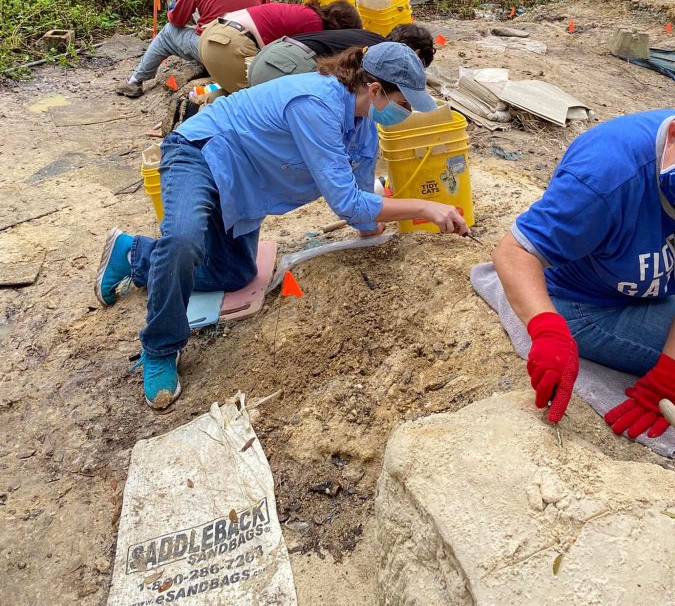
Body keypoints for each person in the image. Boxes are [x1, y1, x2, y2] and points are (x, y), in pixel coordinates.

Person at [95, 42, 468, 409]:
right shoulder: (315, 105)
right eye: (403, 105)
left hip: (243, 182)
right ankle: (160, 347)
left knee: (235, 274)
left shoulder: (364, 126)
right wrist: (425, 207)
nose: (403, 115)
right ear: (375, 90)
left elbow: (359, 201)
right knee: (184, 242)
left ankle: (131, 253)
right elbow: (345, 202)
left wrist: (371, 227)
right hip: (201, 154)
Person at [490, 90, 675, 439]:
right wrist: (547, 328)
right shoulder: (606, 174)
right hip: (591, 303)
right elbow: (515, 251)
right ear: (673, 136)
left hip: (646, 267)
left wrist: (671, 376)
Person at [116, 0, 270, 98]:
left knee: (168, 32)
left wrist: (172, 11)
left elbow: (177, 20)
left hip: (216, 46)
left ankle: (134, 81)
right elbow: (266, 19)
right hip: (251, 50)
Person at [198, 0, 362, 94]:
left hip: (215, 34)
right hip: (231, 43)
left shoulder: (306, 13)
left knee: (238, 92)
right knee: (254, 101)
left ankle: (203, 104)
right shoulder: (313, 24)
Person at [246, 23, 435, 88]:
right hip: (287, 66)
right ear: (415, 54)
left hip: (265, 57)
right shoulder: (381, 55)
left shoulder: (370, 38)